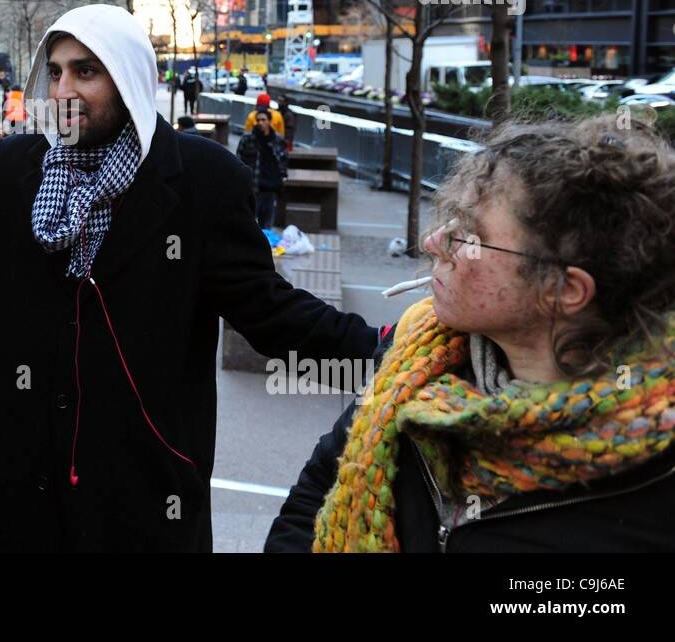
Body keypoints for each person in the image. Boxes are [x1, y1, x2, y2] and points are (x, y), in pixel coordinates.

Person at [0, 3, 378, 552]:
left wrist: (380, 349)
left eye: (87, 71)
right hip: (19, 491)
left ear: (130, 80)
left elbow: (269, 311)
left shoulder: (201, 180)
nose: (64, 89)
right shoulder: (18, 163)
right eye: (57, 71)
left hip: (144, 497)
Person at [265, 115, 675, 552]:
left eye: (469, 235)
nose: (432, 242)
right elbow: (315, 494)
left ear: (563, 289)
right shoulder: (418, 360)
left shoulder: (654, 491)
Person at [237, 109, 287, 230]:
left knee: (267, 225)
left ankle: (265, 247)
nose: (260, 122)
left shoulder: (278, 140)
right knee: (250, 223)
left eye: (263, 120)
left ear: (269, 121)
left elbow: (283, 160)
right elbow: (238, 160)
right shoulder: (247, 139)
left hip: (271, 188)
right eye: (258, 120)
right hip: (253, 187)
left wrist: (284, 176)